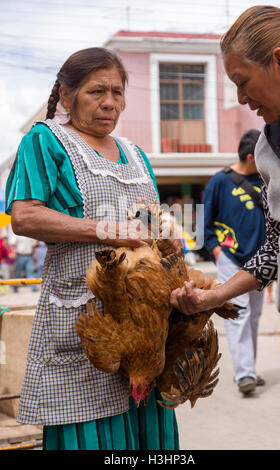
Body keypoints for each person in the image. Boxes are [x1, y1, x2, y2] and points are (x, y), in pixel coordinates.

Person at [5, 47, 181, 451]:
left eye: (117, 93)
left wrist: (171, 237)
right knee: (90, 433)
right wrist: (106, 230)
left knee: (146, 431)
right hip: (81, 314)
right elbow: (25, 217)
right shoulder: (45, 140)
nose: (109, 103)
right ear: (66, 95)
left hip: (142, 323)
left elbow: (148, 218)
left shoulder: (135, 154)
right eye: (96, 91)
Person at [170, 5, 280, 436]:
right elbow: (277, 246)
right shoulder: (268, 147)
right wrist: (214, 297)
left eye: (243, 82)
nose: (242, 99)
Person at [203, 129, 266, 394]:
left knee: (254, 317)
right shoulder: (220, 181)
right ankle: (245, 375)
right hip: (230, 259)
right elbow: (205, 222)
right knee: (238, 315)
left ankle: (247, 367)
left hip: (260, 260)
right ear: (251, 156)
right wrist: (216, 251)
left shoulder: (266, 178)